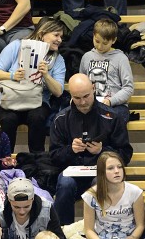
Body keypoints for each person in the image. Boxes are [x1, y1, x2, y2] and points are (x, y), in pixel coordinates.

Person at [50, 74, 133, 225]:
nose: (82, 102)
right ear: (71, 96)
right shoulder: (60, 119)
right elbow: (54, 156)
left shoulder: (112, 116)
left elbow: (125, 154)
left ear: (93, 89)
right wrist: (71, 150)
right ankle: (62, 232)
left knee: (100, 183)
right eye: (77, 98)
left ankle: (103, 230)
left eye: (86, 96)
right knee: (65, 183)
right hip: (72, 173)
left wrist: (103, 151)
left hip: (102, 172)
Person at [0, 17, 67, 153]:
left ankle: (37, 158)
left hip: (37, 102)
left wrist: (46, 75)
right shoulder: (16, 46)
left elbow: (58, 91)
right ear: (42, 34)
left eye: (61, 37)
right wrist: (13, 76)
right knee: (8, 119)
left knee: (37, 117)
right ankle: (5, 159)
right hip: (9, 99)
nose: (60, 40)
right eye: (56, 35)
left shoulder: (58, 59)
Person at [81, 150, 144, 239]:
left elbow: (140, 225)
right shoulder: (90, 196)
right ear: (102, 172)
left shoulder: (135, 192)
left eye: (119, 167)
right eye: (110, 168)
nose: (117, 171)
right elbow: (88, 230)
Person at [0, 177, 74, 239]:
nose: (22, 211)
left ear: (32, 199)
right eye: (16, 207)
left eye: (26, 206)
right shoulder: (0, 212)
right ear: (9, 200)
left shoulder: (47, 209)